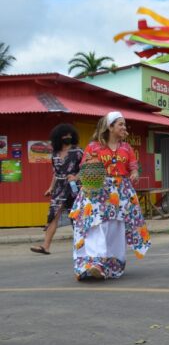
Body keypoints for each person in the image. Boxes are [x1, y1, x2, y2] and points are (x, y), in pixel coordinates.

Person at [70, 112, 150, 280]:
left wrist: (134, 173)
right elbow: (84, 167)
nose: (124, 127)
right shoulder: (94, 147)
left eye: (124, 125)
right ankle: (93, 264)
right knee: (97, 225)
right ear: (110, 127)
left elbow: (133, 166)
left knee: (116, 228)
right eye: (120, 124)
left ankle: (112, 265)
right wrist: (77, 178)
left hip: (121, 192)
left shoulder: (126, 148)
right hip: (98, 191)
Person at [31, 124, 84, 255]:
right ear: (58, 137)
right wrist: (50, 188)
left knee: (77, 217)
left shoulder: (78, 152)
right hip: (59, 188)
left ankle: (83, 247)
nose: (68, 137)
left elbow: (86, 169)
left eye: (70, 134)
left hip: (75, 188)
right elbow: (55, 173)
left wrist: (76, 177)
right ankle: (45, 246)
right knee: (53, 216)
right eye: (65, 135)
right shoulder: (54, 154)